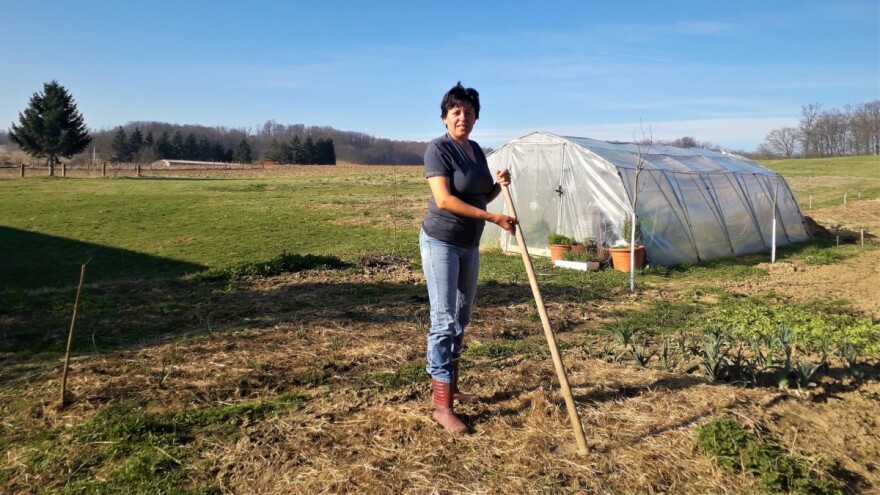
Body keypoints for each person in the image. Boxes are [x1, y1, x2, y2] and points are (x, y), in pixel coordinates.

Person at [420, 82, 517, 434]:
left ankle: (453, 388)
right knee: (444, 320)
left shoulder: (476, 150)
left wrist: (499, 186)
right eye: (456, 111)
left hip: (469, 244)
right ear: (445, 117)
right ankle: (441, 407)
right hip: (441, 242)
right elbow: (445, 200)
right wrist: (493, 220)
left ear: (476, 118)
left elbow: (479, 198)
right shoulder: (438, 150)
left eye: (469, 111)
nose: (463, 117)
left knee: (461, 317)